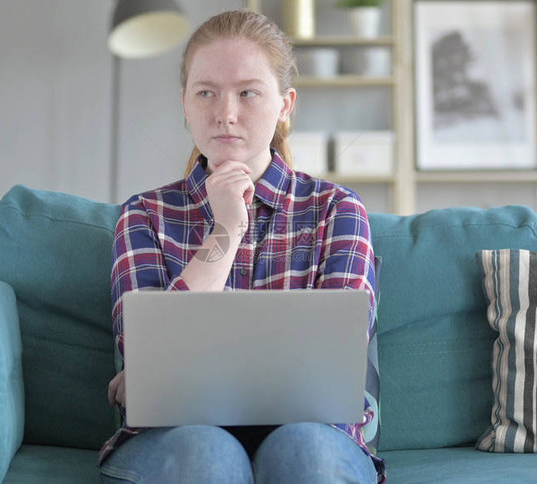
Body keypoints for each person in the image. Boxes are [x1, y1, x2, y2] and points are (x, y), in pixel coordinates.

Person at [98, 9, 384, 484]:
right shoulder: (143, 216)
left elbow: (336, 367)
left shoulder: (337, 210)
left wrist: (173, 365)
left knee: (304, 448)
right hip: (175, 437)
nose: (225, 113)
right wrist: (227, 231)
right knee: (206, 449)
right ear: (185, 103)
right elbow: (151, 365)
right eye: (206, 92)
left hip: (314, 434)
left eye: (248, 93)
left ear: (285, 105)